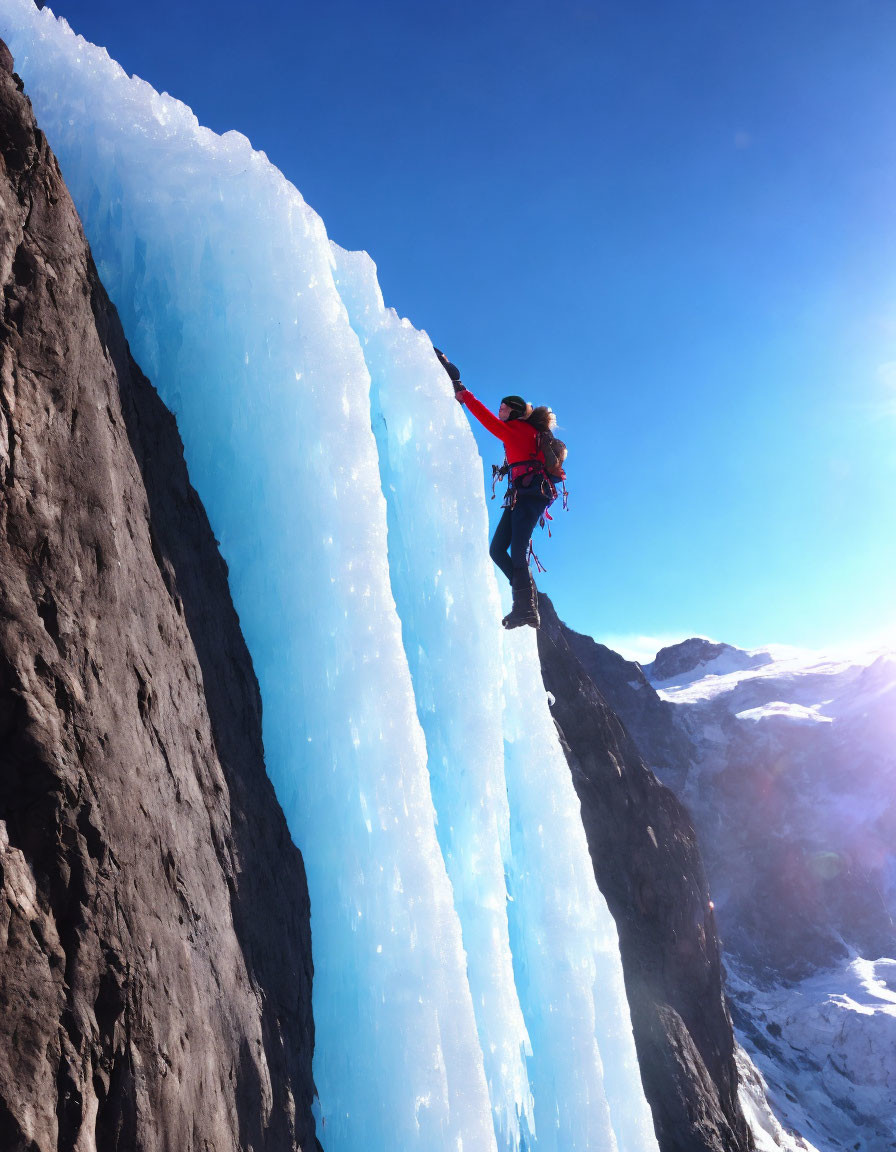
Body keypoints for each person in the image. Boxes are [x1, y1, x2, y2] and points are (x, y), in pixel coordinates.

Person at [434, 348, 562, 630]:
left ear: (514, 412)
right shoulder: (519, 431)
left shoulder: (516, 429)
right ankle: (525, 604)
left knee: (516, 551)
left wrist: (463, 393)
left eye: (504, 407)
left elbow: (487, 420)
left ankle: (527, 608)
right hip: (522, 495)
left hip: (531, 494)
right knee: (497, 550)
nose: (500, 410)